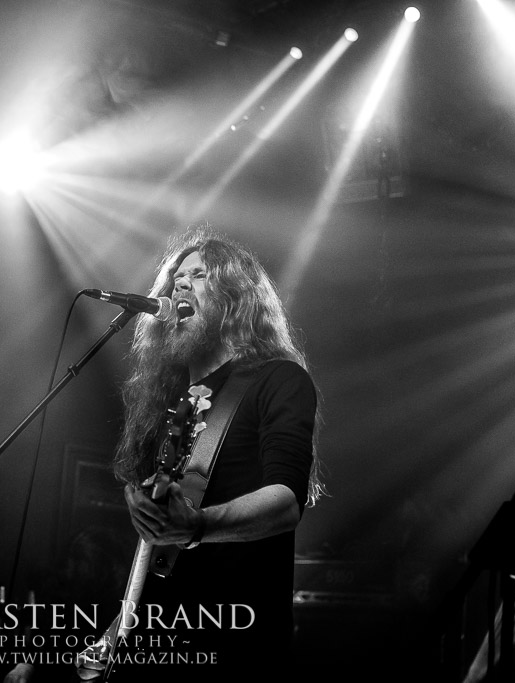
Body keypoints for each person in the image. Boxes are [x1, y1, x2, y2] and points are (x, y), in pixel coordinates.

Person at [72, 225, 325, 681]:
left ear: (236, 298)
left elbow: (287, 502)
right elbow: (153, 560)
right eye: (176, 277)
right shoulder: (169, 406)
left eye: (200, 275)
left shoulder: (278, 380)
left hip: (236, 642)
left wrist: (197, 526)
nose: (179, 285)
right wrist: (111, 638)